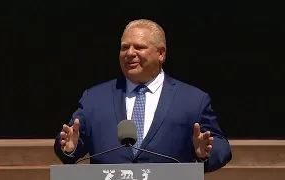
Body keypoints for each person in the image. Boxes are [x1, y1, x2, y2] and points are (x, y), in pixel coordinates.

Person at [54, 19, 232, 173]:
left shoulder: (193, 100)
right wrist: (69, 148)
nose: (130, 53)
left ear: (161, 53)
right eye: (125, 47)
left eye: (139, 47)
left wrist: (205, 153)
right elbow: (70, 145)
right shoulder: (94, 98)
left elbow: (221, 148)